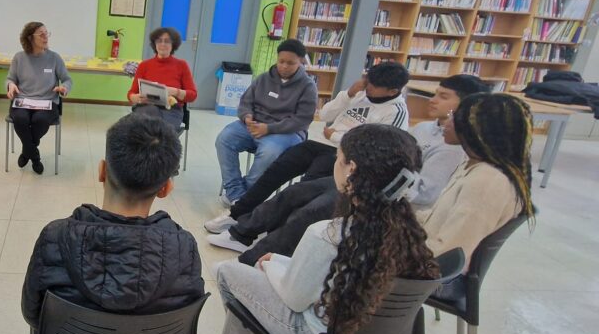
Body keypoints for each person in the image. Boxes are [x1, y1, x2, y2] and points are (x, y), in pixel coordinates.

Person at [213, 124, 439, 334]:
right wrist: (279, 263)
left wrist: (271, 268)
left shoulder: (327, 234)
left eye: (338, 157)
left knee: (228, 272)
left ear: (351, 169)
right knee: (271, 268)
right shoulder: (406, 234)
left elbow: (294, 299)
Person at [206, 74, 485, 257]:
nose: (433, 100)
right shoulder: (424, 129)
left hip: (376, 193)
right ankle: (241, 228)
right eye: (436, 93)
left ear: (465, 106)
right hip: (357, 171)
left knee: (311, 208)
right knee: (295, 188)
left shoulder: (450, 147)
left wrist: (370, 179)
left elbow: (421, 192)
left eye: (443, 96)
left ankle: (257, 255)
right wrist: (349, 94)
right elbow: (327, 115)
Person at [22, 113, 204, 327]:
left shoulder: (54, 237)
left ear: (102, 172)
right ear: (166, 188)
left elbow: (32, 314)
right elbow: (185, 322)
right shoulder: (185, 249)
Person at [224, 60, 410, 217]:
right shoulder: (360, 93)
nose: (367, 87)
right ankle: (238, 213)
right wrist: (348, 95)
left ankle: (274, 225)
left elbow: (375, 148)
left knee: (303, 187)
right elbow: (325, 114)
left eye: (374, 86)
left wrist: (335, 136)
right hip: (320, 143)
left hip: (344, 155)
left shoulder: (396, 112)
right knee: (278, 168)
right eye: (368, 81)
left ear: (392, 91)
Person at [419, 92, 535, 274]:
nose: (447, 122)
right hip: (426, 256)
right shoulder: (473, 164)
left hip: (434, 274)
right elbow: (437, 219)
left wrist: (392, 252)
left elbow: (448, 252)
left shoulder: (487, 182)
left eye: (455, 117)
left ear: (478, 129)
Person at [215, 39, 317, 204]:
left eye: (290, 63)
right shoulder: (263, 78)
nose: (284, 66)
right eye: (281, 61)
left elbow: (302, 120)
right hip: (254, 124)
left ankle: (246, 196)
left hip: (286, 132)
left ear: (301, 62)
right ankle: (235, 191)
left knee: (269, 152)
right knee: (224, 138)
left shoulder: (308, 86)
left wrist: (269, 128)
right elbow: (246, 101)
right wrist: (247, 117)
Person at [6, 21, 72, 175]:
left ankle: (26, 152)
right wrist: (10, 85)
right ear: (30, 38)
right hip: (23, 100)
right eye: (41, 34)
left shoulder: (54, 58)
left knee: (40, 120)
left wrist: (64, 88)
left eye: (46, 33)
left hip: (47, 101)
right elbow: (10, 79)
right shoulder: (19, 58)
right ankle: (35, 156)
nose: (45, 37)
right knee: (20, 119)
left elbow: (67, 79)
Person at [126, 26, 197, 131]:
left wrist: (175, 91)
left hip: (171, 110)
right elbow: (131, 93)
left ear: (173, 45)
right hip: (146, 108)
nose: (163, 44)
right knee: (150, 118)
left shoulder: (181, 65)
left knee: (153, 129)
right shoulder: (144, 65)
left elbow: (192, 95)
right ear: (154, 44)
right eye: (159, 41)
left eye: (167, 41)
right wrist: (136, 98)